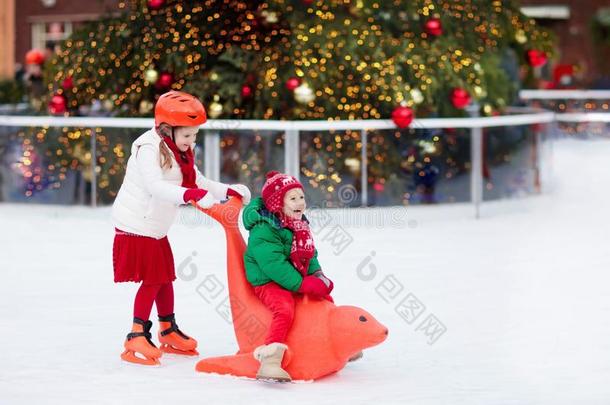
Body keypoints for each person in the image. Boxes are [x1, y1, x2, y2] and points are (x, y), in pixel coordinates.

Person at [111, 90, 251, 365]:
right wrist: (190, 196)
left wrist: (227, 190)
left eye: (195, 135)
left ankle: (168, 328)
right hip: (136, 224)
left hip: (156, 225)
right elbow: (156, 187)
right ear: (167, 129)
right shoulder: (148, 148)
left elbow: (199, 182)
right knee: (153, 279)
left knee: (165, 276)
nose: (192, 141)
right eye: (187, 135)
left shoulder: (180, 152)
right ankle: (136, 334)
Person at [242, 171, 333, 381]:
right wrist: (301, 284)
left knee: (324, 299)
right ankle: (270, 360)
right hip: (267, 280)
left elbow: (310, 254)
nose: (300, 202)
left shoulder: (299, 224)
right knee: (284, 309)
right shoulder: (264, 229)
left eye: (301, 197)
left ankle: (335, 339)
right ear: (276, 204)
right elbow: (273, 264)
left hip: (292, 277)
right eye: (292, 198)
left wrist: (318, 275)